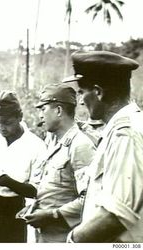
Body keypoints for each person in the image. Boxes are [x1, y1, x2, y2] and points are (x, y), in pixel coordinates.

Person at [63, 51, 143, 242]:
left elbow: (116, 215)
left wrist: (73, 240)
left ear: (98, 92)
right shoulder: (122, 127)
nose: (81, 101)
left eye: (82, 92)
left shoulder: (126, 133)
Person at [16, 84, 96, 243]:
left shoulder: (80, 146)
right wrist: (35, 208)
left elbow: (90, 200)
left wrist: (53, 215)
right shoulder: (53, 143)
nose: (39, 115)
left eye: (43, 109)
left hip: (66, 238)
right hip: (46, 236)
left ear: (58, 110)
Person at [0, 90, 47, 243]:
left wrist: (6, 181)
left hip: (13, 209)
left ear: (19, 117)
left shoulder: (36, 146)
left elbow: (35, 191)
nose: (1, 127)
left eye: (7, 122)